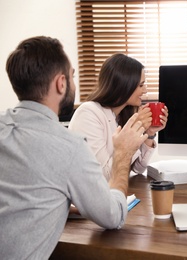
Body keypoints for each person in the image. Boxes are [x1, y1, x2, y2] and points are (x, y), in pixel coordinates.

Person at [0, 36, 148, 259]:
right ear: (61, 83)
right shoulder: (69, 146)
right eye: (72, 75)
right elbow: (113, 216)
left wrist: (60, 202)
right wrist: (123, 154)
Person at [69, 53, 168, 181]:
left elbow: (138, 168)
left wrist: (149, 134)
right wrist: (135, 128)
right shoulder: (88, 113)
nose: (145, 91)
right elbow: (103, 177)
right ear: (124, 85)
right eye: (141, 85)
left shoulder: (122, 115)